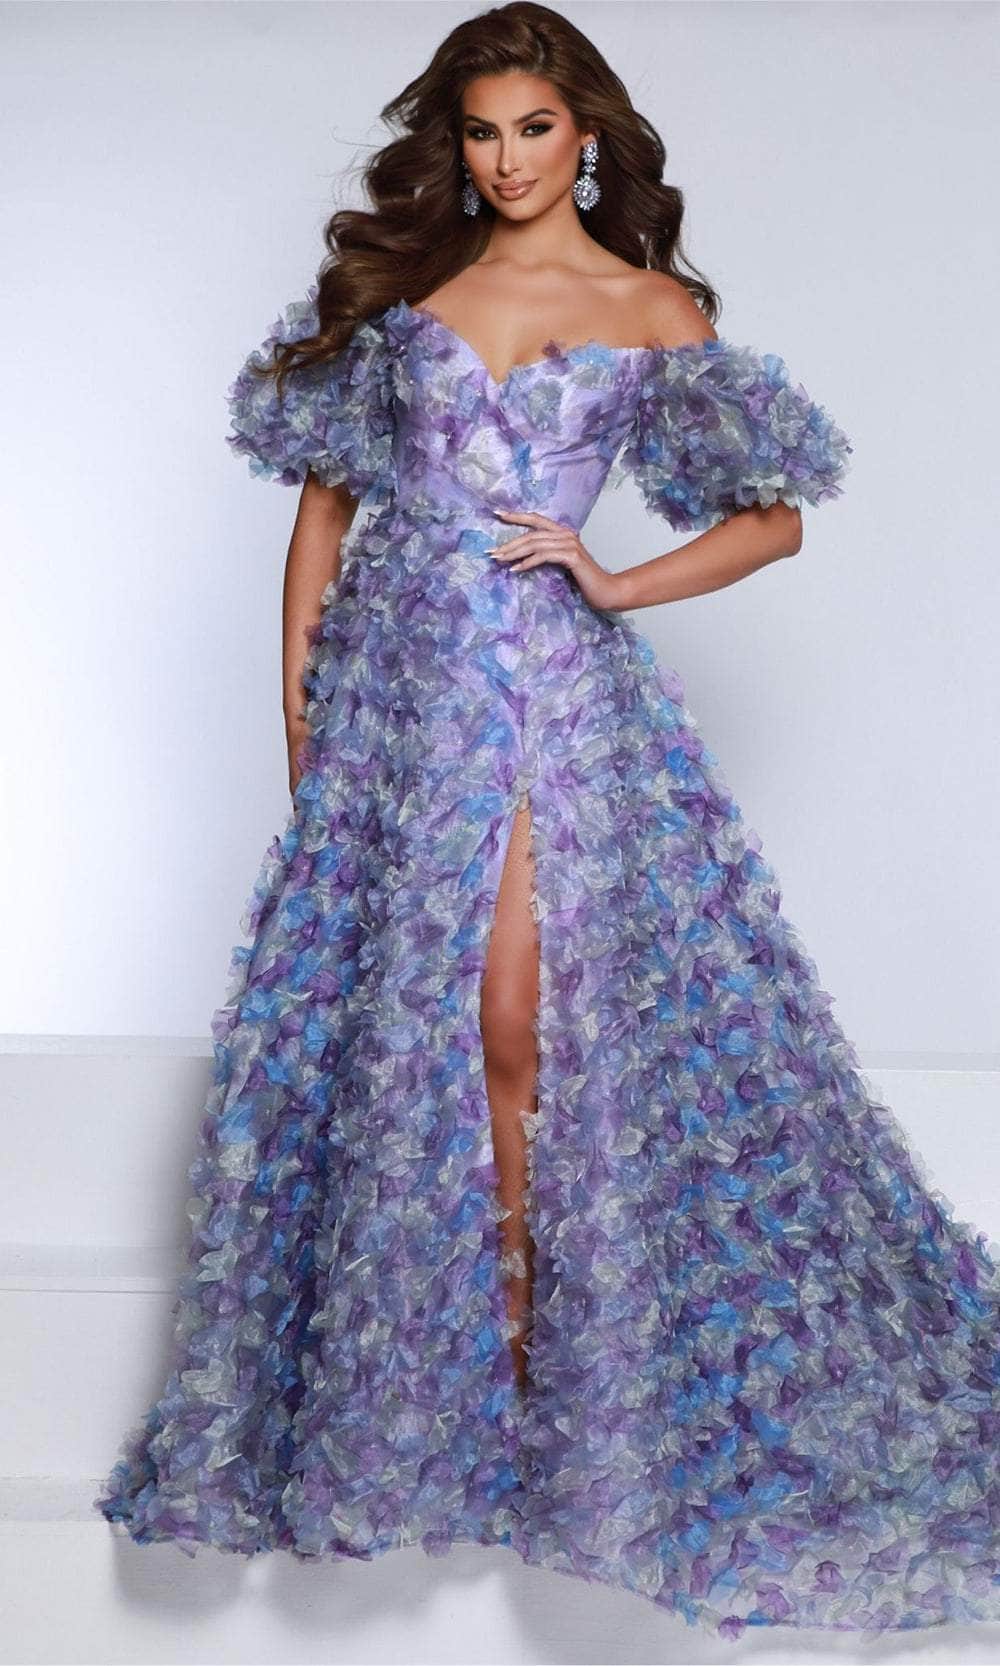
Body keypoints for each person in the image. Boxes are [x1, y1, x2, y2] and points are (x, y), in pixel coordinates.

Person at [93, 0, 1000, 1640]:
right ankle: (443, 1394)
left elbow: (776, 519)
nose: (506, 159)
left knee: (516, 1018)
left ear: (587, 137)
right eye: (481, 130)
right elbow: (319, 531)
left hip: (554, 706)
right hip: (395, 709)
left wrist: (616, 577)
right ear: (454, 144)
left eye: (533, 127)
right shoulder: (405, 299)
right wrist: (310, 743)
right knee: (407, 1030)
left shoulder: (648, 307)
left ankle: (534, 1371)